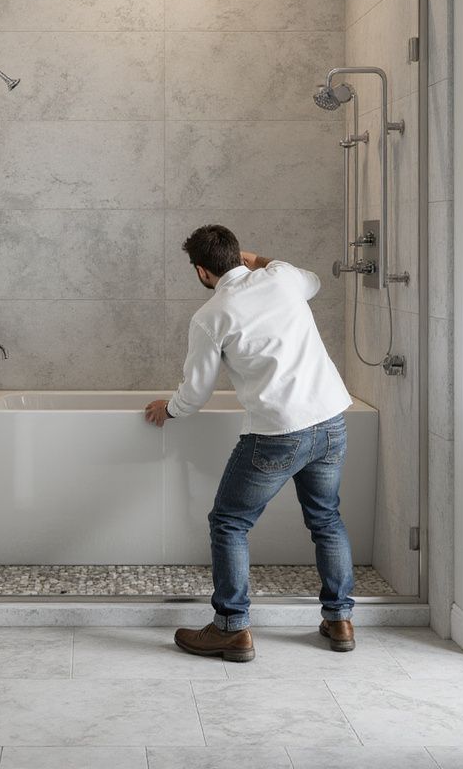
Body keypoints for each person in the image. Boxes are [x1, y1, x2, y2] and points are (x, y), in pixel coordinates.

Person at [144, 224, 354, 662]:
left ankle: (231, 629)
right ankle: (339, 620)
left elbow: (196, 391)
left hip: (279, 432)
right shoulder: (282, 278)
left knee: (229, 523)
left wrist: (172, 408)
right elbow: (310, 280)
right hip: (331, 419)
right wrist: (257, 260)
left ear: (202, 271)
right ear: (239, 255)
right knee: (326, 520)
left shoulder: (210, 316)